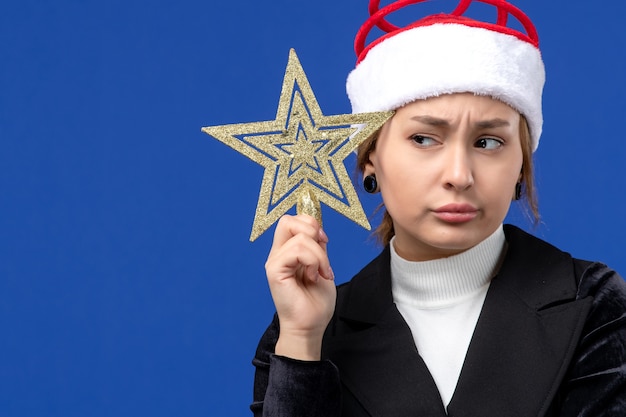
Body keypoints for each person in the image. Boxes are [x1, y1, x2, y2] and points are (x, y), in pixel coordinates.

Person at [251, 0, 626, 415]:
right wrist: (303, 341)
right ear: (371, 155)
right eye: (425, 139)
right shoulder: (304, 329)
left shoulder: (592, 304)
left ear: (521, 162)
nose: (459, 175)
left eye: (488, 142)